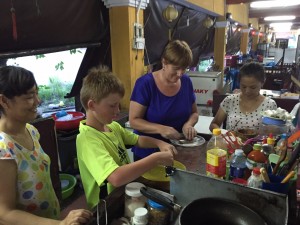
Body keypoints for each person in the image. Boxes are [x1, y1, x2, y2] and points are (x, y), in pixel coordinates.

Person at [0, 66, 92, 225]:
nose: (38, 101)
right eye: (29, 96)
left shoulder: (30, 130)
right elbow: (4, 213)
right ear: (4, 101)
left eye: (36, 93)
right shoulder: (4, 149)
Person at [76, 65, 176, 210]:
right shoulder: (87, 139)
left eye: (118, 105)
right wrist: (156, 159)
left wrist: (159, 143)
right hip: (106, 206)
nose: (117, 111)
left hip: (124, 195)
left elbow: (138, 140)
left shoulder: (112, 127)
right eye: (112, 106)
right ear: (92, 105)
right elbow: (116, 178)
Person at [129, 40, 199, 160]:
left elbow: (194, 113)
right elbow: (134, 121)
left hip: (177, 150)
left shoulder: (186, 82)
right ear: (164, 62)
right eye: (176, 68)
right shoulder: (145, 84)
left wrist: (188, 124)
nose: (180, 73)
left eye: (184, 68)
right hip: (149, 154)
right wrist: (161, 129)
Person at [209, 62, 277, 131]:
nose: (247, 91)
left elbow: (274, 132)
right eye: (243, 86)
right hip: (231, 141)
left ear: (262, 82)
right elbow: (214, 124)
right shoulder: (230, 100)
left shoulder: (269, 105)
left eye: (253, 87)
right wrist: (221, 134)